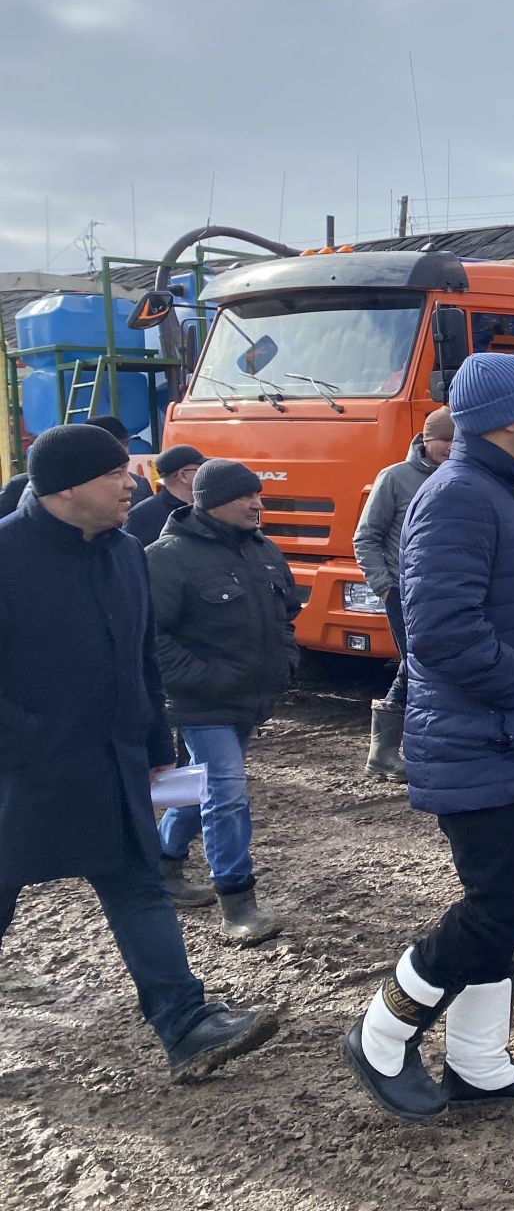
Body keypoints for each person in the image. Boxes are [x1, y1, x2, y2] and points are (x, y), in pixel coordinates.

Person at [0, 424, 278, 1081]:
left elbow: (141, 662)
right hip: (21, 774)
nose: (134, 483)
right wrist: (24, 743)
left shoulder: (127, 553)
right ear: (68, 488)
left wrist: (158, 749)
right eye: (117, 473)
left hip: (114, 761)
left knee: (140, 885)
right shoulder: (6, 557)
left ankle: (187, 1025)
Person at [342, 353, 514, 1122]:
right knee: (498, 902)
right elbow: (441, 634)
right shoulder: (460, 499)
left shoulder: (501, 490)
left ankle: (478, 1063)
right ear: (510, 418)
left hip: (513, 733)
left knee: (509, 902)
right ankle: (381, 1032)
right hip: (488, 737)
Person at [146, 460, 301, 944]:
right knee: (227, 794)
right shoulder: (167, 556)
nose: (258, 504)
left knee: (197, 783)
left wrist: (286, 661)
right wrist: (204, 678)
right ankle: (238, 904)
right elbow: (150, 636)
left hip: (248, 700)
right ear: (212, 501)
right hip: (201, 702)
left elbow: (285, 617)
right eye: (246, 496)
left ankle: (162, 865)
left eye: (259, 495)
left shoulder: (265, 551)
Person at [352, 407, 456, 782]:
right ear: (427, 441)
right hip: (404, 592)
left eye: (456, 440)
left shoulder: (461, 477)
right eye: (444, 440)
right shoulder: (395, 478)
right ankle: (388, 753)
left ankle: (403, 752)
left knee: (423, 664)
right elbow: (366, 536)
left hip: (449, 592)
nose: (451, 447)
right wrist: (383, 586)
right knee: (419, 663)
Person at [126, 444, 206, 548]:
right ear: (183, 475)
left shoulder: (207, 506)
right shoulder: (143, 515)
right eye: (201, 469)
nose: (205, 473)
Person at [87, 416, 151, 506]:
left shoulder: (140, 484)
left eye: (126, 444)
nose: (123, 450)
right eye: (116, 445)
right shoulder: (77, 486)